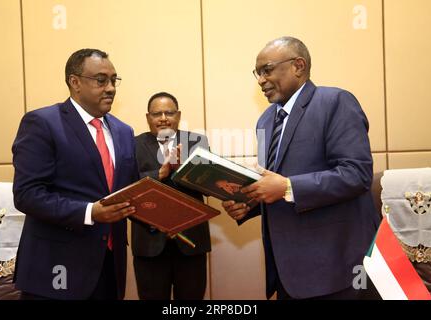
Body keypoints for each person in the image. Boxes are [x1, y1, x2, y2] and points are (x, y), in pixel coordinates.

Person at [222, 36, 380, 300]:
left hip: (336, 269)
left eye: (267, 70)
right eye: (257, 73)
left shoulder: (335, 102)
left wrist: (287, 186)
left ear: (298, 66)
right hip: (285, 272)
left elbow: (357, 174)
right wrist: (250, 204)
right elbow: (275, 184)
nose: (260, 80)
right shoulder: (265, 120)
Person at [12, 49, 139, 300]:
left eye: (114, 80)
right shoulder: (43, 123)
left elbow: (131, 190)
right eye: (101, 80)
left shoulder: (124, 131)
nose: (111, 88)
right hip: (56, 270)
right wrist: (91, 212)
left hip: (109, 268)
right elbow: (27, 195)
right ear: (75, 82)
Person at [132, 92, 211, 300]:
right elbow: (126, 186)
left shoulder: (196, 142)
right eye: (157, 113)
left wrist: (183, 170)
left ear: (179, 115)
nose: (163, 118)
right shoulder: (133, 145)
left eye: (169, 112)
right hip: (149, 245)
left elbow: (207, 186)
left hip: (191, 243)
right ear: (148, 117)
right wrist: (160, 173)